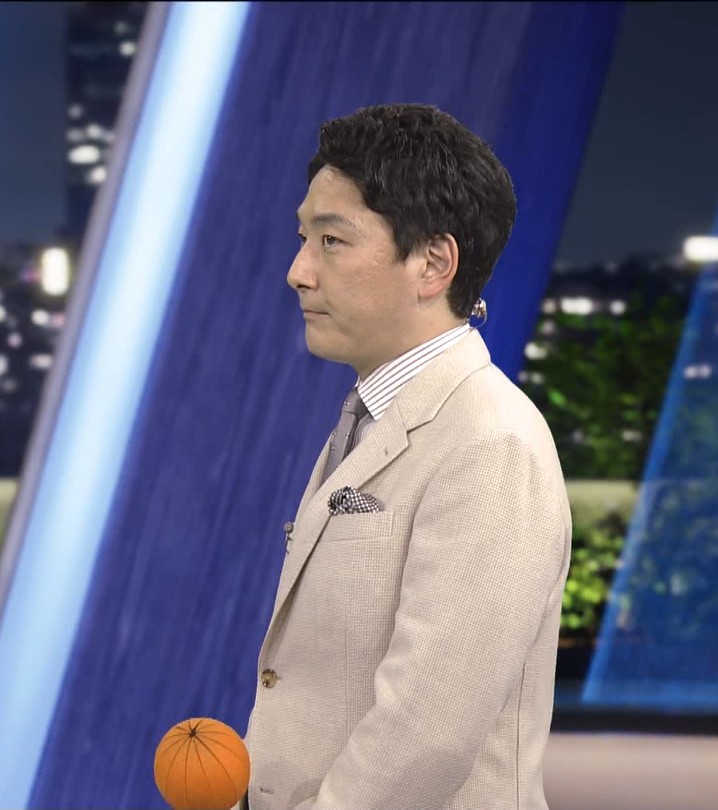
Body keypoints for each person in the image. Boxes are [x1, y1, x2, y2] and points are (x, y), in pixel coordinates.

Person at [235, 104, 573, 810]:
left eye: (332, 241)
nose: (297, 272)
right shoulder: (371, 417)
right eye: (303, 238)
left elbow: (426, 733)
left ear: (433, 263)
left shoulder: (490, 442)